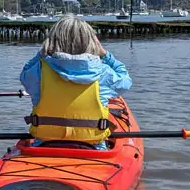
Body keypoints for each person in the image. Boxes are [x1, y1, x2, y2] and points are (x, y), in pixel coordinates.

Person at [18, 15, 132, 150]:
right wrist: (105, 55)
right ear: (91, 42)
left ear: (52, 41)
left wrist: (41, 54)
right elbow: (125, 80)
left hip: (44, 145)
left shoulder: (38, 70)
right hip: (93, 146)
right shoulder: (103, 72)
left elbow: (24, 73)